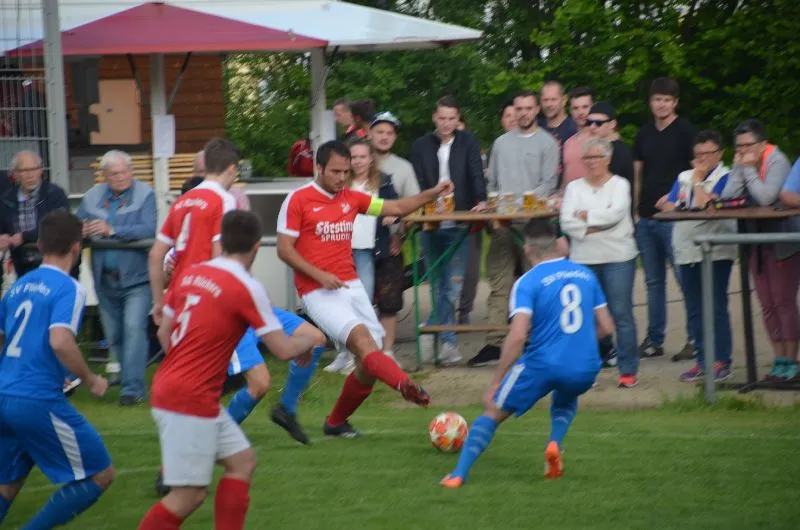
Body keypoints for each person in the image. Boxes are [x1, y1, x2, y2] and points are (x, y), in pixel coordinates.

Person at [138, 210, 316, 530]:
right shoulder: (246, 286)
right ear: (256, 246)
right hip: (189, 397)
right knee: (188, 496)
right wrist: (308, 342)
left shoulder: (192, 274)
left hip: (175, 387)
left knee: (242, 462)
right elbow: (281, 349)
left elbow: (164, 332)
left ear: (220, 241)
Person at [277, 140, 454, 437]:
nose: (341, 178)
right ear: (319, 168)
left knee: (370, 362)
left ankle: (336, 422)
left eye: (345, 172)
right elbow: (284, 249)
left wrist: (432, 193)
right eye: (335, 171)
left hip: (351, 285)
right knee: (364, 344)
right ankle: (404, 384)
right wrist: (319, 275)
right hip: (317, 291)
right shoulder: (298, 200)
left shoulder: (352, 198)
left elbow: (398, 207)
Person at [440, 219, 615, 488]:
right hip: (585, 366)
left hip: (543, 363)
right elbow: (606, 327)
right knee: (566, 395)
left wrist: (496, 381)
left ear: (527, 249)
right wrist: (576, 343)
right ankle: (554, 443)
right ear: (558, 244)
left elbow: (518, 336)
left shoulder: (527, 282)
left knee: (494, 409)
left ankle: (457, 475)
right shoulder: (585, 274)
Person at [0, 211, 115, 527]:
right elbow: (60, 340)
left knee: (8, 481)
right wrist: (90, 379)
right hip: (36, 399)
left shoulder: (18, 286)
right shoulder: (69, 288)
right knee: (100, 473)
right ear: (77, 247)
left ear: (38, 245)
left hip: (4, 394)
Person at [470, 89, 559, 368]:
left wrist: (520, 204)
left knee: (537, 284)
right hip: (503, 225)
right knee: (500, 283)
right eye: (518, 108)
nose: (523, 113)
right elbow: (493, 183)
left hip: (536, 227)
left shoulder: (548, 144)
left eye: (528, 108)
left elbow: (548, 184)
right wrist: (493, 205)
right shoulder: (501, 143)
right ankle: (496, 342)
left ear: (537, 110)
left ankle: (536, 341)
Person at [77, 149, 157, 406]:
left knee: (134, 329)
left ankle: (133, 390)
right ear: (104, 175)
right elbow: (75, 225)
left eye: (124, 172)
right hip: (104, 278)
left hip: (137, 279)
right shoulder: (92, 196)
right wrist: (82, 230)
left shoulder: (146, 194)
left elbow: (148, 229)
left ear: (131, 171)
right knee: (115, 335)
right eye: (114, 174)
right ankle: (127, 378)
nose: (121, 177)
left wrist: (112, 230)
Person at [411, 96, 487, 364]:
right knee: (437, 283)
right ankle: (447, 342)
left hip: (459, 221)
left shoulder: (468, 142)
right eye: (442, 118)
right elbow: (418, 180)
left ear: (458, 119)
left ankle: (437, 332)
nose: (446, 123)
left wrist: (481, 200)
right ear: (435, 117)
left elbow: (476, 173)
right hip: (430, 222)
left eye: (451, 118)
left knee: (452, 285)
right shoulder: (421, 145)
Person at [656, 131, 735, 382]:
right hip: (686, 249)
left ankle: (722, 360)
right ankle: (702, 361)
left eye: (708, 154)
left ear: (720, 154)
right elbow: (667, 205)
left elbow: (705, 205)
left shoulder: (726, 177)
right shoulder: (683, 176)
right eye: (698, 154)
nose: (702, 159)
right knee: (695, 308)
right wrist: (683, 199)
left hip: (715, 250)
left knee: (716, 306)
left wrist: (698, 182)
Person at [723, 119, 798, 381]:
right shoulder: (742, 162)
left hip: (782, 240)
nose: (743, 151)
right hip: (754, 239)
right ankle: (779, 360)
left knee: (783, 301)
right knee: (766, 303)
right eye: (739, 146)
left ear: (763, 144)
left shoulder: (777, 161)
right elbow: (728, 196)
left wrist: (748, 171)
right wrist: (740, 169)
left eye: (748, 145)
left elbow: (767, 197)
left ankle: (792, 360)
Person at [560, 138, 639, 388]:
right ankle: (587, 368)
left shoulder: (620, 185)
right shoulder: (574, 188)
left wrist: (586, 217)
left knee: (621, 313)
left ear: (608, 158)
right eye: (588, 158)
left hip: (618, 256)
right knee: (585, 316)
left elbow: (616, 215)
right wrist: (591, 227)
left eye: (597, 157)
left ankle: (628, 369)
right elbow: (566, 222)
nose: (592, 162)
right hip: (583, 259)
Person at [633, 77, 696, 362]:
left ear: (675, 103)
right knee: (653, 282)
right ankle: (654, 340)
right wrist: (635, 210)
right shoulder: (644, 133)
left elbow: (697, 173)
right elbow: (638, 173)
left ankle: (695, 338)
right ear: (651, 102)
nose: (662, 104)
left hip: (675, 218)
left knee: (685, 279)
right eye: (657, 99)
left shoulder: (685, 131)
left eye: (667, 100)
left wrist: (679, 202)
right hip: (646, 218)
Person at [326, 139, 400, 374]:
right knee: (339, 303)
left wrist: (392, 218)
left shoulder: (383, 181)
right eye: (354, 157)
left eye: (362, 157)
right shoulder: (339, 183)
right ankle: (345, 353)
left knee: (363, 301)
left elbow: (396, 207)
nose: (358, 161)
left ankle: (360, 355)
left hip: (368, 249)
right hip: (341, 250)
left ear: (371, 159)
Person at [368, 111, 419, 360]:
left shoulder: (404, 168)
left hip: (389, 244)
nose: (384, 137)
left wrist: (400, 234)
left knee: (389, 299)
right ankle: (361, 351)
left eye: (389, 133)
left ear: (395, 137)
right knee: (358, 298)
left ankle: (387, 352)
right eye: (379, 131)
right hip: (357, 244)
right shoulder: (357, 160)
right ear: (370, 133)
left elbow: (413, 207)